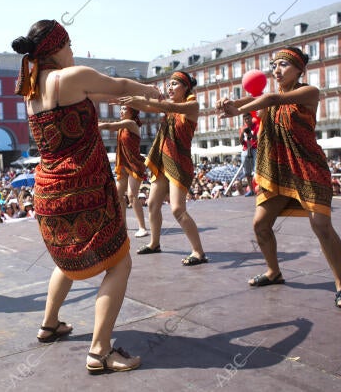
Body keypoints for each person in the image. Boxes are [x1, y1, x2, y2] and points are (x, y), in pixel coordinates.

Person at [11, 19, 159, 373]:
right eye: (69, 45)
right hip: (83, 190)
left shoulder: (32, 90)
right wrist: (152, 91)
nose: (73, 51)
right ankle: (100, 351)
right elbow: (119, 85)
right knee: (120, 261)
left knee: (65, 261)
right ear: (56, 47)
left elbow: (108, 94)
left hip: (48, 193)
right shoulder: (71, 78)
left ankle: (50, 325)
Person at [217, 46, 341, 309]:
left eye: (283, 65)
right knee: (260, 225)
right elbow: (257, 101)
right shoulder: (271, 97)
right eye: (273, 66)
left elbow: (270, 100)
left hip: (308, 168)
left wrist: (236, 108)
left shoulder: (309, 92)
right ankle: (273, 272)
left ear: (300, 69)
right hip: (278, 171)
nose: (276, 70)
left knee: (321, 227)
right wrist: (230, 104)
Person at [120, 71, 207, 266]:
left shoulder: (191, 105)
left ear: (186, 87)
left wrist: (139, 99)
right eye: (169, 84)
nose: (170, 87)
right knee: (152, 204)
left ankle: (198, 251)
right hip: (163, 161)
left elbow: (166, 105)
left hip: (179, 163)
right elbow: (150, 106)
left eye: (175, 84)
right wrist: (131, 101)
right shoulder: (169, 107)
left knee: (177, 209)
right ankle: (154, 243)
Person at [98, 106, 149, 238]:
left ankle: (142, 227)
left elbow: (109, 125)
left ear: (132, 112)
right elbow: (112, 126)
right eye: (120, 109)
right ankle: (123, 225)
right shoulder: (122, 126)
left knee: (132, 195)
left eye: (124, 109)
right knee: (118, 195)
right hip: (123, 164)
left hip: (134, 164)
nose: (120, 111)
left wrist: (94, 125)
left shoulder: (131, 123)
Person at [239, 114, 258, 196]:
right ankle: (251, 190)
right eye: (245, 119)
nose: (247, 120)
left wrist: (251, 135)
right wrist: (242, 133)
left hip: (255, 148)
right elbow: (241, 142)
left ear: (251, 118)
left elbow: (257, 138)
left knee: (257, 169)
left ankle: (259, 188)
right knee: (247, 172)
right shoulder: (242, 128)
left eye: (248, 118)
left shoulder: (256, 126)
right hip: (246, 149)